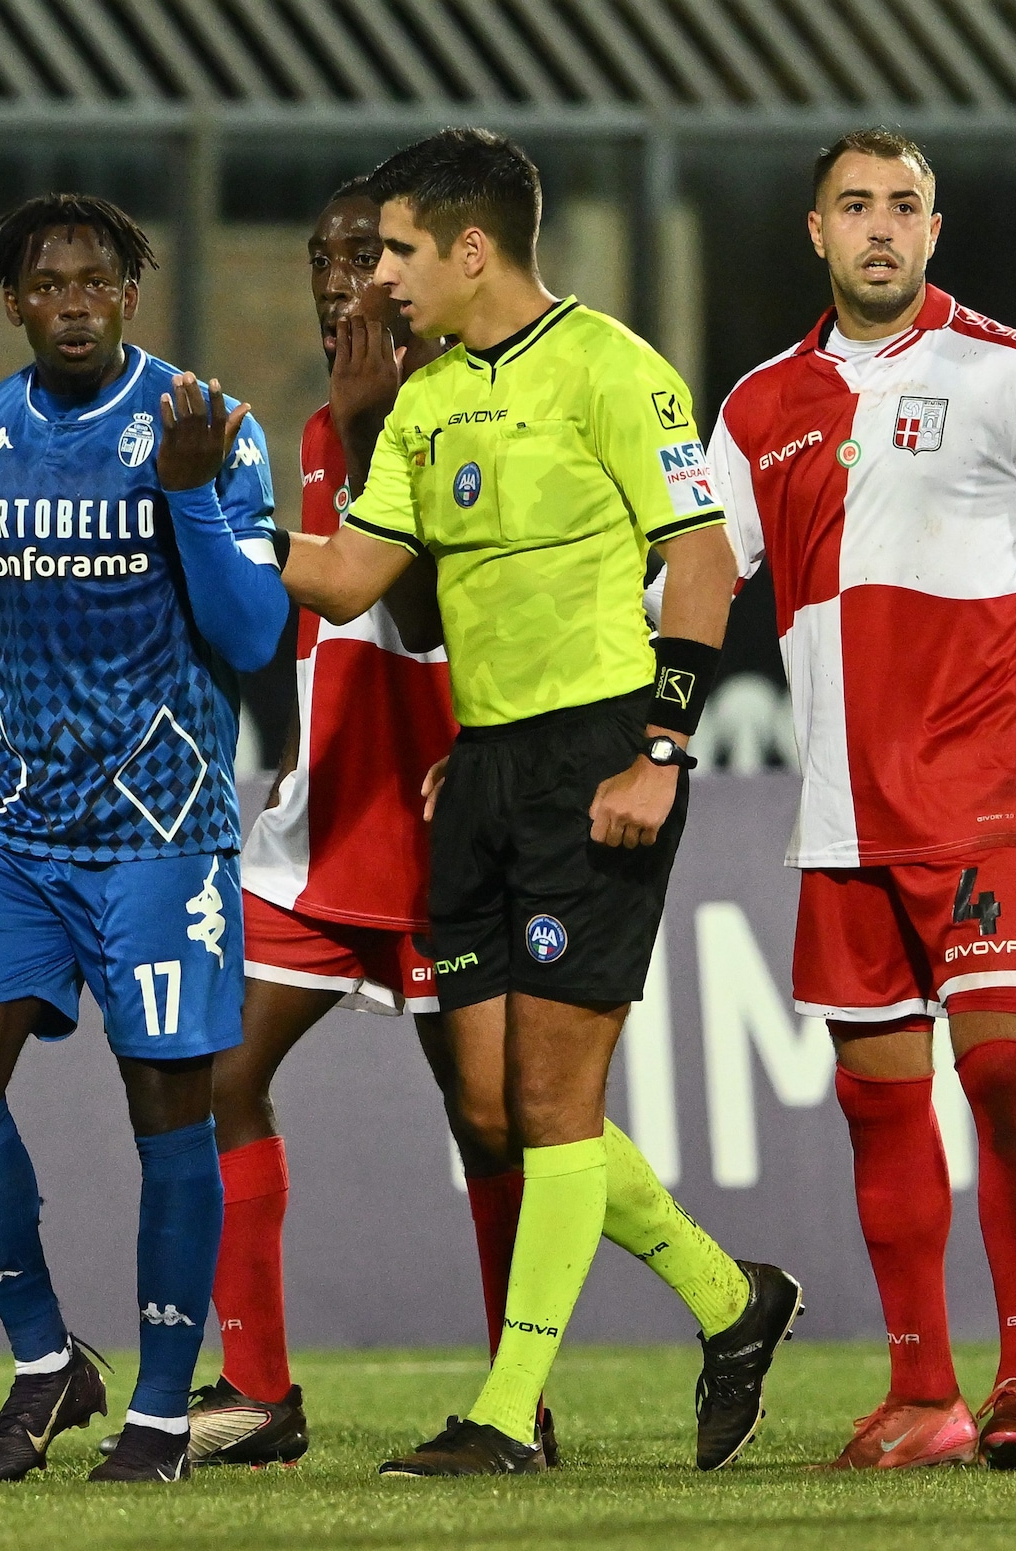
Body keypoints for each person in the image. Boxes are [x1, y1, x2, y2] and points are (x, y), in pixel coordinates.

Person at [276, 128, 801, 1478]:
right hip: (485, 766)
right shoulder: (431, 400)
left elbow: (699, 558)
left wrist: (660, 749)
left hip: (598, 760)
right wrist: (196, 512)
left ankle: (508, 1411)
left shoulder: (616, 370)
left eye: (396, 250)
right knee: (500, 1108)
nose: (377, 276)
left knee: (558, 1103)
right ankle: (735, 1302)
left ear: (469, 248)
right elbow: (347, 580)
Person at [699, 128, 1016, 1472]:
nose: (882, 229)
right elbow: (695, 585)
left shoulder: (1013, 374)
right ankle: (926, 1388)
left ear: (936, 228)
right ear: (816, 231)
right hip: (841, 802)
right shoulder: (758, 406)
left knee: (1008, 1063)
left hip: (981, 793)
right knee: (878, 1093)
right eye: (857, 206)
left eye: (905, 206)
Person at [0, 193, 287, 1484]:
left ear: (130, 292)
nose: (73, 303)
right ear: (12, 301)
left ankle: (161, 1409)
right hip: (15, 824)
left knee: (168, 1101)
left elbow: (254, 633)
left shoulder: (207, 428)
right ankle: (49, 1359)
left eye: (96, 281)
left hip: (164, 825)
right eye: (46, 284)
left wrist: (188, 497)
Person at [177, 178, 546, 1465]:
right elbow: (313, 613)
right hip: (329, 817)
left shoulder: (460, 407)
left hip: (452, 813)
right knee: (220, 1073)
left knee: (493, 1121)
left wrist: (362, 418)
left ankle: (520, 1402)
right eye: (326, 259)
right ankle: (260, 1391)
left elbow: (435, 617)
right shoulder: (319, 426)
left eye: (370, 258)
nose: (348, 282)